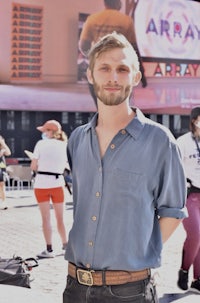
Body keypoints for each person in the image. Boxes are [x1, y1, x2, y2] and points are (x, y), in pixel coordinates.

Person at [63, 32, 187, 303]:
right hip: (74, 288)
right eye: (104, 68)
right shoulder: (77, 140)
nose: (113, 77)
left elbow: (174, 212)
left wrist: (135, 256)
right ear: (90, 75)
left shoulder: (160, 141)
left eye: (122, 69)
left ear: (136, 77)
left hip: (129, 292)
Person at [79, 0, 147, 106]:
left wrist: (94, 59)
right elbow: (134, 50)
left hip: (98, 69)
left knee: (100, 106)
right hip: (121, 67)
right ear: (118, 3)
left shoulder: (92, 19)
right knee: (121, 104)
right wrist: (142, 75)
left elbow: (83, 45)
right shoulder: (126, 21)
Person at [31, 120, 68, 258]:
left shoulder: (40, 144)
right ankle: (65, 245)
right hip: (58, 183)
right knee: (60, 218)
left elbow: (33, 166)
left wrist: (41, 164)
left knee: (45, 218)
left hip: (41, 185)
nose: (43, 133)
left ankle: (49, 249)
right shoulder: (64, 145)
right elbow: (67, 165)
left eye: (45, 131)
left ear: (50, 131)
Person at [177, 107, 200, 293]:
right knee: (196, 234)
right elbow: (173, 170)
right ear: (194, 120)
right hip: (190, 195)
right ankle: (184, 270)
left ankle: (197, 279)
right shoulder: (183, 142)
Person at [0, 135, 11, 210]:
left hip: (1, 167)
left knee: (2, 184)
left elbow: (8, 153)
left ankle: (4, 202)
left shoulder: (2, 147)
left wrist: (3, 143)